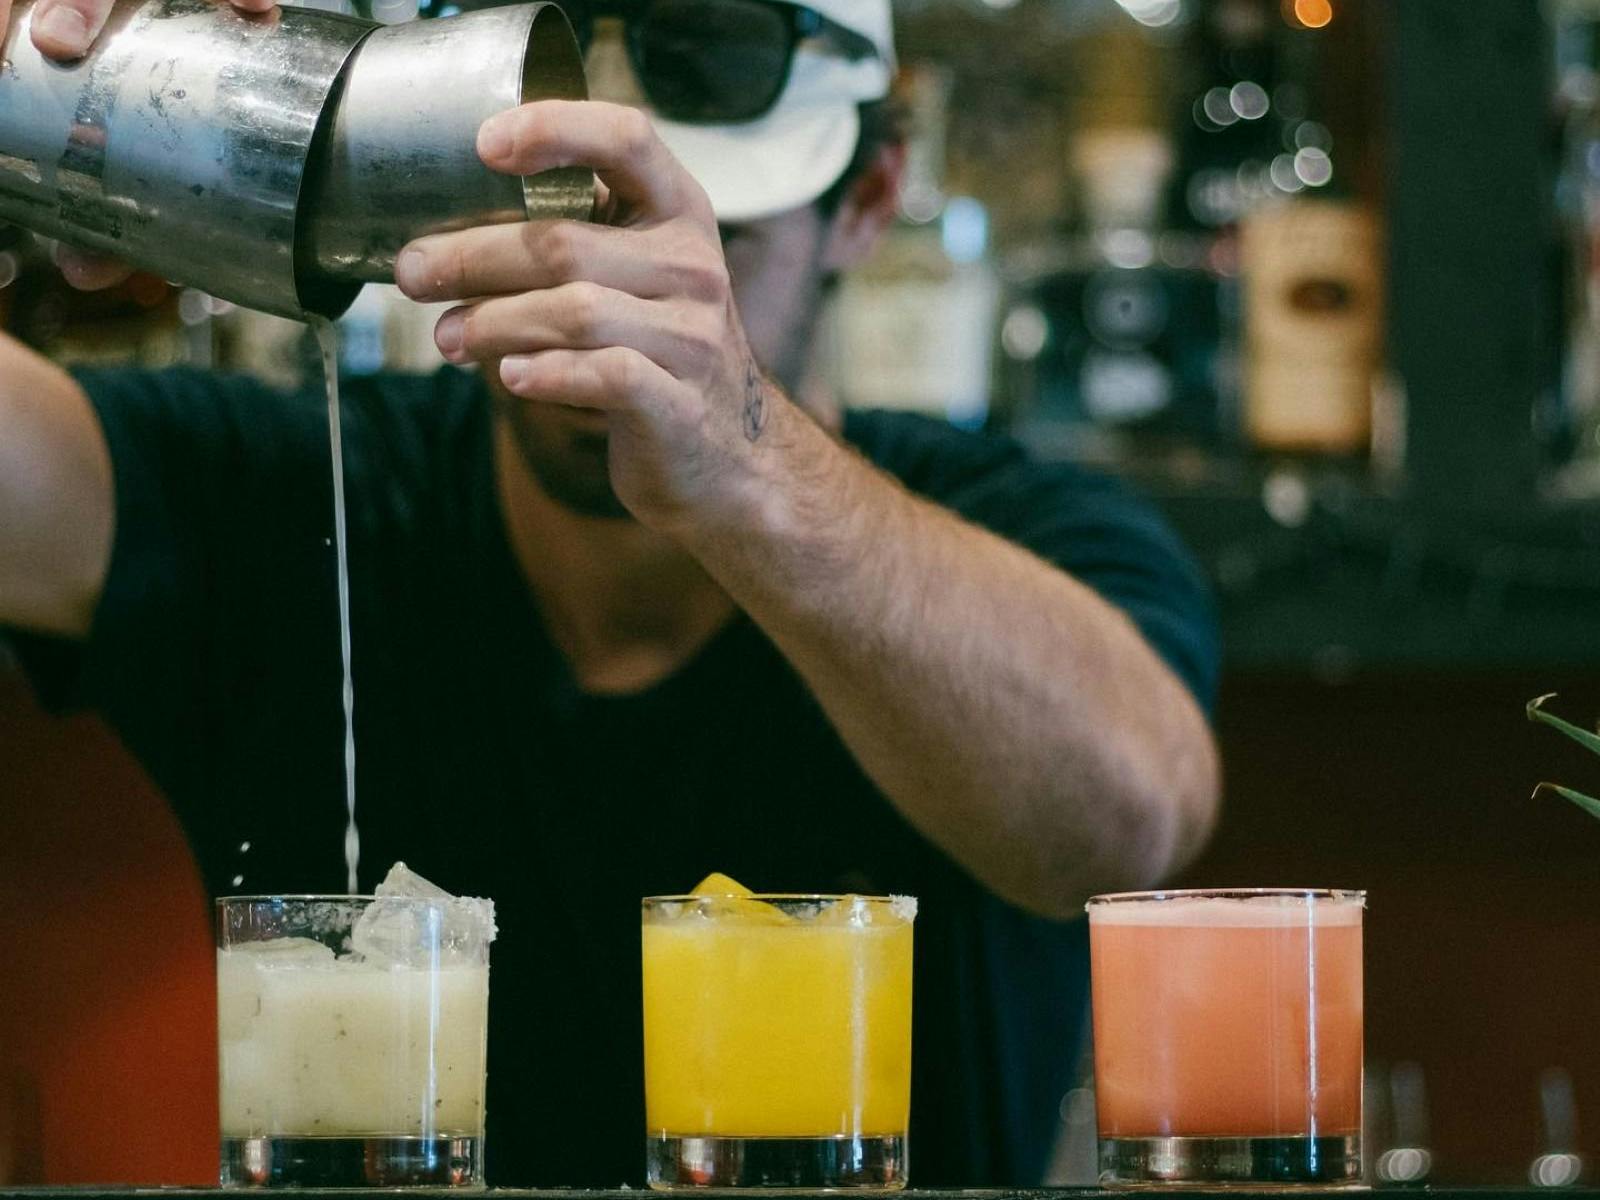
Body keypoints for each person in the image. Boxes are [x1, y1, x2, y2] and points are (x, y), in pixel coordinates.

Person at [0, 0, 1222, 1185]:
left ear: (869, 200)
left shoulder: (1004, 524)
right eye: (555, 234)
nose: (612, 308)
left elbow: (1129, 822)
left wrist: (744, 459)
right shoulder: (297, 487)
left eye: (709, 248)